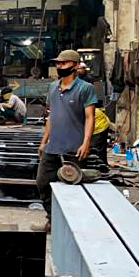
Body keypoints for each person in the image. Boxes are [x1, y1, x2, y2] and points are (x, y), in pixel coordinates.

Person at [36, 50, 99, 218]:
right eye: (58, 63)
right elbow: (51, 116)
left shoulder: (85, 88)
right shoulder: (52, 87)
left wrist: (86, 143)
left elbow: (90, 117)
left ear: (75, 66)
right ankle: (52, 219)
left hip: (74, 149)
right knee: (43, 183)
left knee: (73, 189)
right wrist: (44, 142)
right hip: (53, 147)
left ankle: (73, 222)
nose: (60, 66)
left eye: (64, 63)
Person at [77, 63, 111, 166]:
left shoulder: (92, 82)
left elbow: (99, 100)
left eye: (80, 69)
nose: (78, 71)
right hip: (94, 118)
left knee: (96, 150)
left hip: (99, 124)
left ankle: (101, 167)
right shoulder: (80, 83)